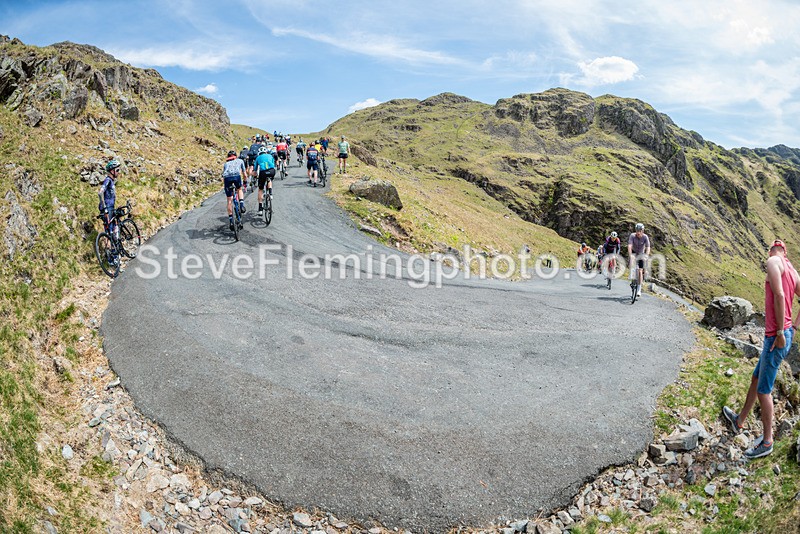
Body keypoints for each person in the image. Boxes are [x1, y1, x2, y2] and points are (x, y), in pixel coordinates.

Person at [723, 239, 800, 458]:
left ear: (773, 250)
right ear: (786, 251)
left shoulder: (773, 261)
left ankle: (767, 442)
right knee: (756, 378)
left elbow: (780, 295)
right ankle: (739, 421)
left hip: (776, 337)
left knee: (764, 390)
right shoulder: (793, 271)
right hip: (783, 333)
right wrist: (793, 326)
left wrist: (779, 332)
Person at [98, 159, 121, 263]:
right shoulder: (107, 180)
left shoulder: (111, 181)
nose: (119, 172)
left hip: (111, 208)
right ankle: (111, 258)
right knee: (110, 232)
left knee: (113, 230)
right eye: (117, 170)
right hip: (107, 209)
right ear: (112, 171)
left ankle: (114, 254)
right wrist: (105, 208)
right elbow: (100, 192)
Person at [222, 150, 247, 231]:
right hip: (236, 176)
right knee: (239, 189)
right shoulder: (240, 160)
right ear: (235, 156)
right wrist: (245, 181)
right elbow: (244, 174)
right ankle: (242, 205)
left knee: (229, 200)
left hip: (227, 178)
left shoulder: (226, 164)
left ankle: (231, 221)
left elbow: (224, 175)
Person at [627, 223, 650, 297]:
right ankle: (632, 277)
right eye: (637, 230)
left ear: (642, 231)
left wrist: (646, 256)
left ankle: (639, 289)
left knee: (640, 271)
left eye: (640, 231)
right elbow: (630, 246)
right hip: (634, 252)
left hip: (641, 254)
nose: (638, 232)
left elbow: (648, 247)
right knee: (632, 264)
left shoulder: (645, 237)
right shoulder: (632, 236)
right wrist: (630, 255)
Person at [253, 146, 276, 216]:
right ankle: (271, 194)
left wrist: (255, 176)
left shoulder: (258, 158)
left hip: (263, 172)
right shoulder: (270, 155)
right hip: (272, 171)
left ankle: (260, 209)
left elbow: (255, 169)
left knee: (260, 189)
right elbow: (273, 164)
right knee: (269, 180)